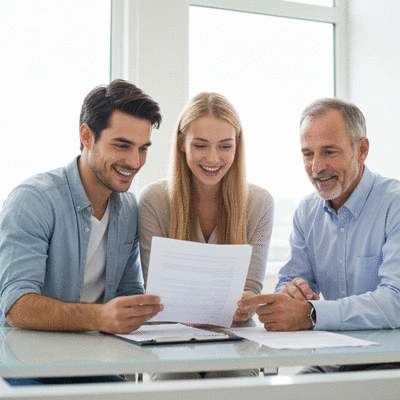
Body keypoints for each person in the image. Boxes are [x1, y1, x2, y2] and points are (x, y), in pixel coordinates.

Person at [0, 79, 164, 384]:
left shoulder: (127, 209)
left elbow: (128, 291)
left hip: (92, 363)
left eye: (143, 149)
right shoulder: (33, 201)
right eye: (121, 145)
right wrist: (100, 317)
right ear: (86, 136)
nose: (134, 161)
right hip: (24, 367)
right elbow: (17, 306)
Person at [239, 97, 400, 372]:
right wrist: (291, 295)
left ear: (361, 150)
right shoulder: (306, 213)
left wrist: (312, 314)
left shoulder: (394, 205)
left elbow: (395, 301)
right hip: (334, 359)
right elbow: (289, 283)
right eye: (307, 154)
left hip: (390, 361)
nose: (316, 167)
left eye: (329, 152)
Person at [138, 92, 274, 379]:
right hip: (171, 341)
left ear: (238, 146)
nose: (213, 158)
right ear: (181, 145)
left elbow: (250, 293)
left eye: (225, 146)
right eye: (200, 145)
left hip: (234, 341)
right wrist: (219, 306)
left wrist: (242, 308)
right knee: (174, 382)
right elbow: (160, 298)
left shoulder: (259, 203)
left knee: (233, 382)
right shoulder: (154, 200)